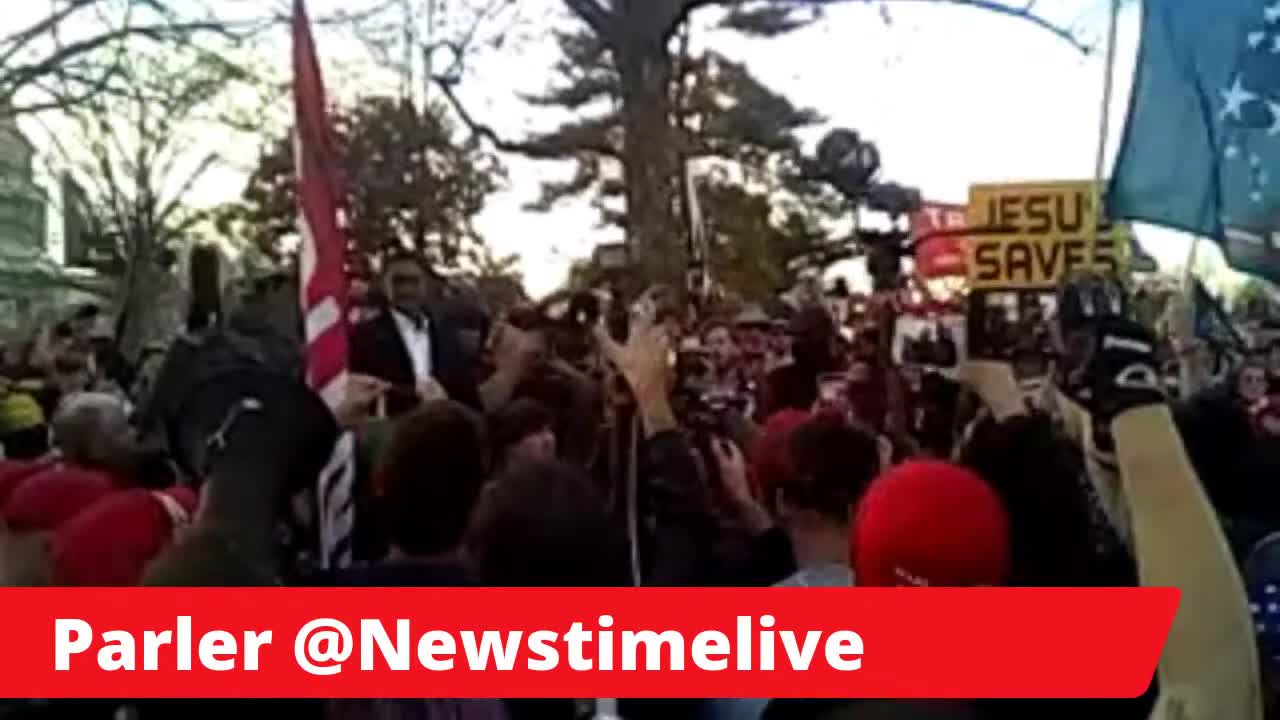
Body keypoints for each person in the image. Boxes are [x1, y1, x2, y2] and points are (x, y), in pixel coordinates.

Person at [350, 252, 481, 415]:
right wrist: (415, 397)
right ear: (385, 285)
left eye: (414, 281)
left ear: (425, 284)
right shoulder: (364, 336)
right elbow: (363, 391)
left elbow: (466, 392)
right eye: (398, 281)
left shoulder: (447, 334)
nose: (406, 290)